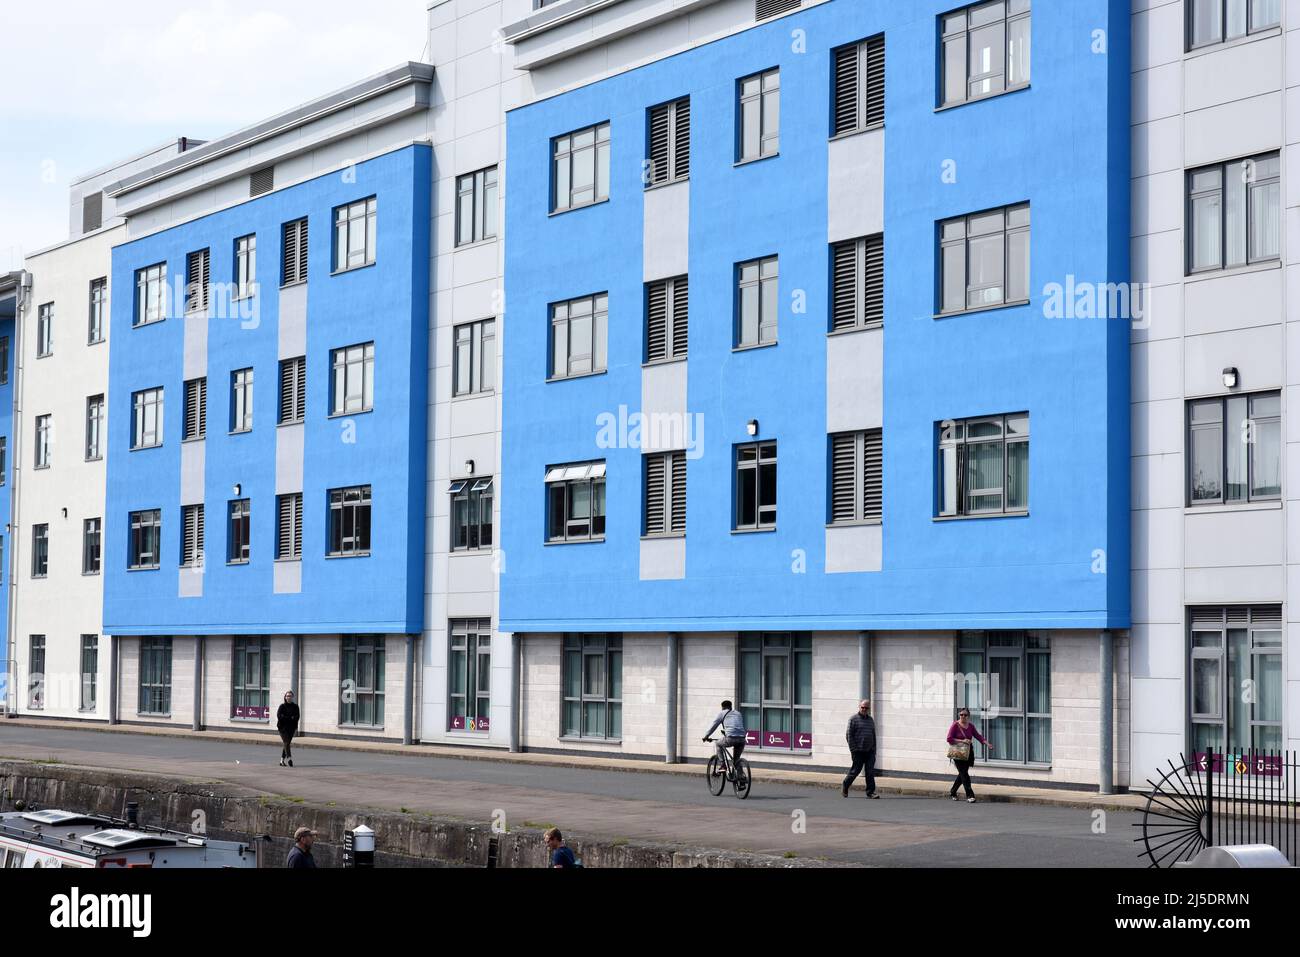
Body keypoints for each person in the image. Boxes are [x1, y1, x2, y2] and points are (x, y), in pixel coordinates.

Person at [946, 707, 993, 803]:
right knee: (964, 774)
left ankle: (953, 791)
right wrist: (962, 740)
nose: (963, 716)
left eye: (965, 715)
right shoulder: (955, 725)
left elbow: (977, 736)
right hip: (958, 752)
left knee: (962, 774)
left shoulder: (970, 726)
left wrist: (987, 743)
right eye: (961, 714)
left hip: (968, 753)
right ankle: (970, 795)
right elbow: (949, 739)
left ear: (968, 716)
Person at [842, 699, 879, 798]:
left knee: (870, 772)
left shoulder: (870, 720)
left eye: (866, 708)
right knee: (855, 771)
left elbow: (873, 735)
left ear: (869, 709)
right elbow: (849, 735)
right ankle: (845, 785)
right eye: (862, 707)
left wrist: (874, 749)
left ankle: (870, 792)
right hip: (858, 751)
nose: (864, 709)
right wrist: (853, 749)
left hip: (869, 751)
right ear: (859, 707)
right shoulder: (853, 719)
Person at [702, 700, 747, 777]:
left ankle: (723, 765)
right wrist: (726, 732)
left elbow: (714, 726)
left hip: (731, 739)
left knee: (718, 744)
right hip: (742, 739)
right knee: (736, 760)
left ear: (722, 707)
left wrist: (706, 736)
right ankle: (741, 778)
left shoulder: (722, 713)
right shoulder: (738, 713)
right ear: (731, 706)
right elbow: (735, 726)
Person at [276, 690, 300, 767]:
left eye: (290, 696)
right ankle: (289, 758)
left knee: (287, 744)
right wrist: (290, 718)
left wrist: (286, 717)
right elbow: (279, 716)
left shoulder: (295, 706)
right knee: (286, 742)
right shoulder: (282, 706)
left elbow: (297, 717)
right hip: (282, 728)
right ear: (285, 697)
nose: (288, 697)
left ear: (292, 697)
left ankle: (281, 761)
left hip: (291, 728)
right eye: (287, 696)